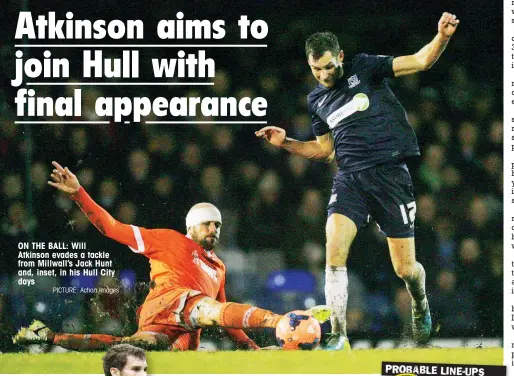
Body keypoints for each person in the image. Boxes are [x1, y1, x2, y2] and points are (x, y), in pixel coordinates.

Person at [255, 12, 460, 350]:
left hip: (390, 175)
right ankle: (338, 334)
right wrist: (286, 143)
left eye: (329, 67)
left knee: (405, 269)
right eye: (316, 69)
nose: (323, 75)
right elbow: (324, 151)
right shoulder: (316, 101)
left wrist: (443, 36)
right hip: (350, 179)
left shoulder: (366, 68)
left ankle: (420, 302)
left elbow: (422, 61)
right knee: (333, 249)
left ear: (341, 58)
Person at [13, 161, 330, 351]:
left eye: (217, 225)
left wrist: (252, 349)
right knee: (201, 305)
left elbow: (225, 317)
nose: (213, 229)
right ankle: (282, 320)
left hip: (184, 327)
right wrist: (79, 195)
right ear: (191, 227)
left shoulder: (218, 267)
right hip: (166, 305)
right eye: (207, 223)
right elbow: (110, 227)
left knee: (134, 348)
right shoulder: (165, 239)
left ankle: (51, 336)